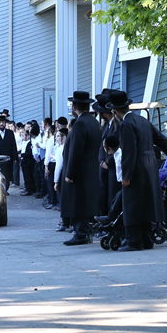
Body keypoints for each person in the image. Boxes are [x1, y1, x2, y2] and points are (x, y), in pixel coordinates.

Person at [109, 90, 167, 251]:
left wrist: (126, 175)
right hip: (150, 166)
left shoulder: (126, 125)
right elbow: (160, 138)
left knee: (132, 204)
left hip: (136, 168)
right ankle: (147, 239)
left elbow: (129, 152)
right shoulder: (141, 120)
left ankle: (134, 241)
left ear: (115, 111)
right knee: (146, 203)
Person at [59, 92, 102, 246]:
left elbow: (75, 150)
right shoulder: (94, 122)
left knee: (77, 203)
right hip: (91, 169)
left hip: (79, 171)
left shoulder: (80, 124)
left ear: (75, 106)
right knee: (85, 202)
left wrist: (70, 173)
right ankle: (85, 232)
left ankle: (81, 233)